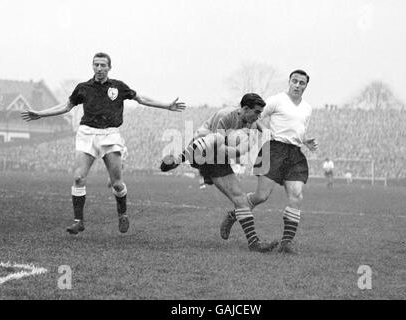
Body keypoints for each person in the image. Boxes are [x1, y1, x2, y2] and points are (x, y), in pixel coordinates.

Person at [21, 52, 186, 235]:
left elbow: (142, 99)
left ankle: (122, 213)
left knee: (116, 184)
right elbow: (66, 106)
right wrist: (41, 114)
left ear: (109, 67)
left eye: (102, 65)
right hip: (87, 133)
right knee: (78, 178)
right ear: (92, 66)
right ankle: (79, 221)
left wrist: (166, 105)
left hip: (110, 135)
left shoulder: (118, 87)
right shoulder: (83, 88)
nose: (99, 68)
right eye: (96, 65)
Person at [160, 93, 278, 253]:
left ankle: (249, 237)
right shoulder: (225, 116)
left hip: (217, 156)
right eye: (256, 112)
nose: (258, 116)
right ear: (244, 108)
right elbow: (218, 146)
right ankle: (182, 159)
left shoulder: (249, 120)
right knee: (217, 140)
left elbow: (253, 128)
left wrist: (264, 131)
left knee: (240, 199)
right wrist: (238, 150)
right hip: (202, 151)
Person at [220, 70, 318, 254]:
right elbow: (255, 117)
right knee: (261, 196)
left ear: (306, 86)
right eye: (294, 81)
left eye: (301, 83)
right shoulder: (277, 100)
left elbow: (298, 130)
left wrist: (305, 140)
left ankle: (286, 243)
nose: (297, 85)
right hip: (274, 150)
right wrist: (264, 130)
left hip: (295, 154)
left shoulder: (307, 108)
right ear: (289, 82)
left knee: (297, 195)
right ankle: (234, 214)